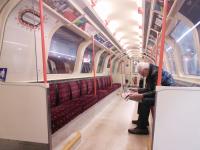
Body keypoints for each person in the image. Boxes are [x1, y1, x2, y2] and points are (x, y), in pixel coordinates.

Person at [127, 62, 175, 135]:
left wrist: (142, 95)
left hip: (166, 95)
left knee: (144, 100)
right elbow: (149, 89)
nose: (142, 75)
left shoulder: (156, 73)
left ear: (146, 69)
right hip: (161, 93)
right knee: (141, 98)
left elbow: (156, 90)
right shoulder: (151, 73)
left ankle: (142, 128)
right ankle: (142, 121)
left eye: (142, 73)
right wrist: (138, 90)